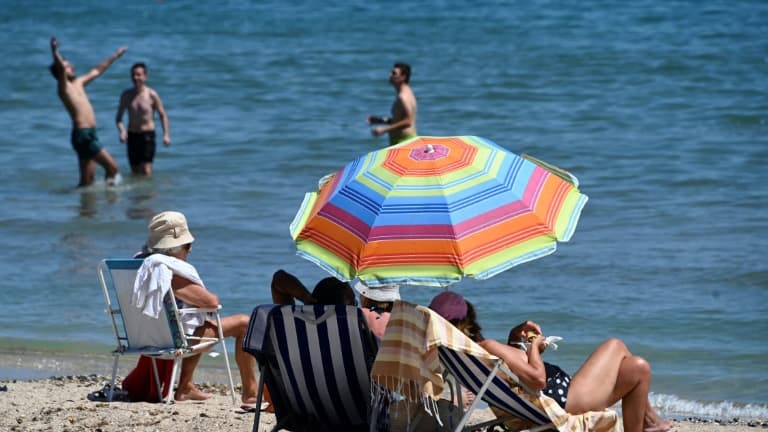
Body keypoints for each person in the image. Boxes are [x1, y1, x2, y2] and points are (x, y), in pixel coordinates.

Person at [428, 291, 673, 432]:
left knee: (635, 367)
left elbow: (510, 376)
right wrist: (535, 348)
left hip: (551, 399)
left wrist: (515, 337)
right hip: (563, 401)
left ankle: (648, 421)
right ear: (469, 320)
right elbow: (537, 379)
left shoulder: (472, 353)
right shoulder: (487, 348)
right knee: (618, 348)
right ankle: (649, 421)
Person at [138, 211, 257, 405]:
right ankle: (251, 392)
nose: (190, 250)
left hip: (145, 337)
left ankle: (186, 386)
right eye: (187, 245)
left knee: (197, 322)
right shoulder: (166, 271)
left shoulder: (138, 265)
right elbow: (210, 302)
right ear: (174, 248)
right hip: (172, 341)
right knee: (244, 323)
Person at [49, 36, 124, 187]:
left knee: (86, 182)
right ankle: (111, 202)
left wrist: (115, 56)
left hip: (88, 134)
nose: (72, 68)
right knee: (113, 168)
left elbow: (96, 71)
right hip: (83, 135)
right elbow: (61, 69)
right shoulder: (63, 88)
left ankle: (85, 209)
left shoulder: (79, 83)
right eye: (68, 66)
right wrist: (55, 51)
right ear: (61, 71)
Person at [115, 62, 170, 176]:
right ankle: (138, 194)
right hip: (132, 136)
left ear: (145, 77)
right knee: (135, 171)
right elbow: (119, 118)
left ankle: (149, 193)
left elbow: (162, 115)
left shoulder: (152, 94)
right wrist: (122, 131)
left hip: (147, 135)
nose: (135, 78)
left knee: (146, 170)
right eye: (133, 75)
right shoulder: (126, 95)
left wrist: (166, 135)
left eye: (139, 75)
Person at [367, 62, 418, 146]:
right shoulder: (406, 93)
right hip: (403, 141)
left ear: (403, 77)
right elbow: (399, 119)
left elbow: (408, 121)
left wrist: (384, 130)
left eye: (394, 73)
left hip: (404, 141)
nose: (390, 75)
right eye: (391, 72)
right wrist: (379, 120)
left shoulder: (403, 97)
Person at [270, 269, 356, 306]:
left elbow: (279, 278)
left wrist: (305, 297)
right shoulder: (354, 333)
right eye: (354, 303)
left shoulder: (290, 325)